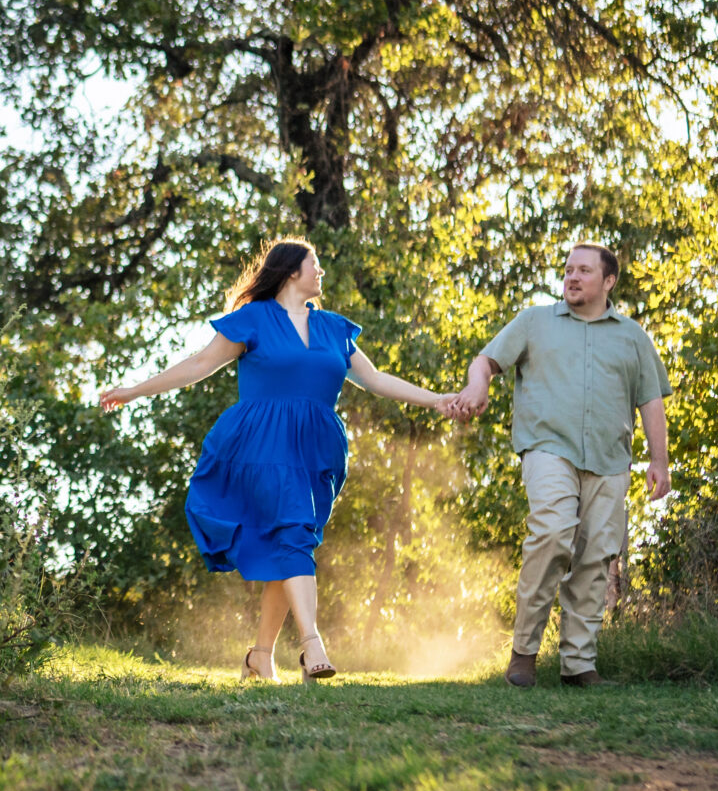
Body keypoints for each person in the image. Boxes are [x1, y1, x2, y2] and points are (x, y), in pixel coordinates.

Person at [98, 238, 461, 682]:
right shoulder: (254, 319)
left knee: (290, 544)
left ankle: (260, 655)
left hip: (316, 451)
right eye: (316, 264)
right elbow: (199, 364)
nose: (321, 273)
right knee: (292, 534)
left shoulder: (333, 328)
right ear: (292, 271)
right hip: (262, 447)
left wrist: (437, 400)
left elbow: (375, 379)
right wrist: (134, 390)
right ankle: (312, 646)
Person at [449, 242, 670, 689]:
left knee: (595, 559)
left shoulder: (632, 336)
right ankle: (524, 654)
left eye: (584, 271)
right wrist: (478, 388)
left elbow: (650, 400)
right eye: (568, 269)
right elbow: (486, 361)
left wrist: (659, 461)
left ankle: (578, 665)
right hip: (548, 448)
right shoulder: (535, 322)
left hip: (610, 461)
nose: (572, 277)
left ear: (608, 282)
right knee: (551, 533)